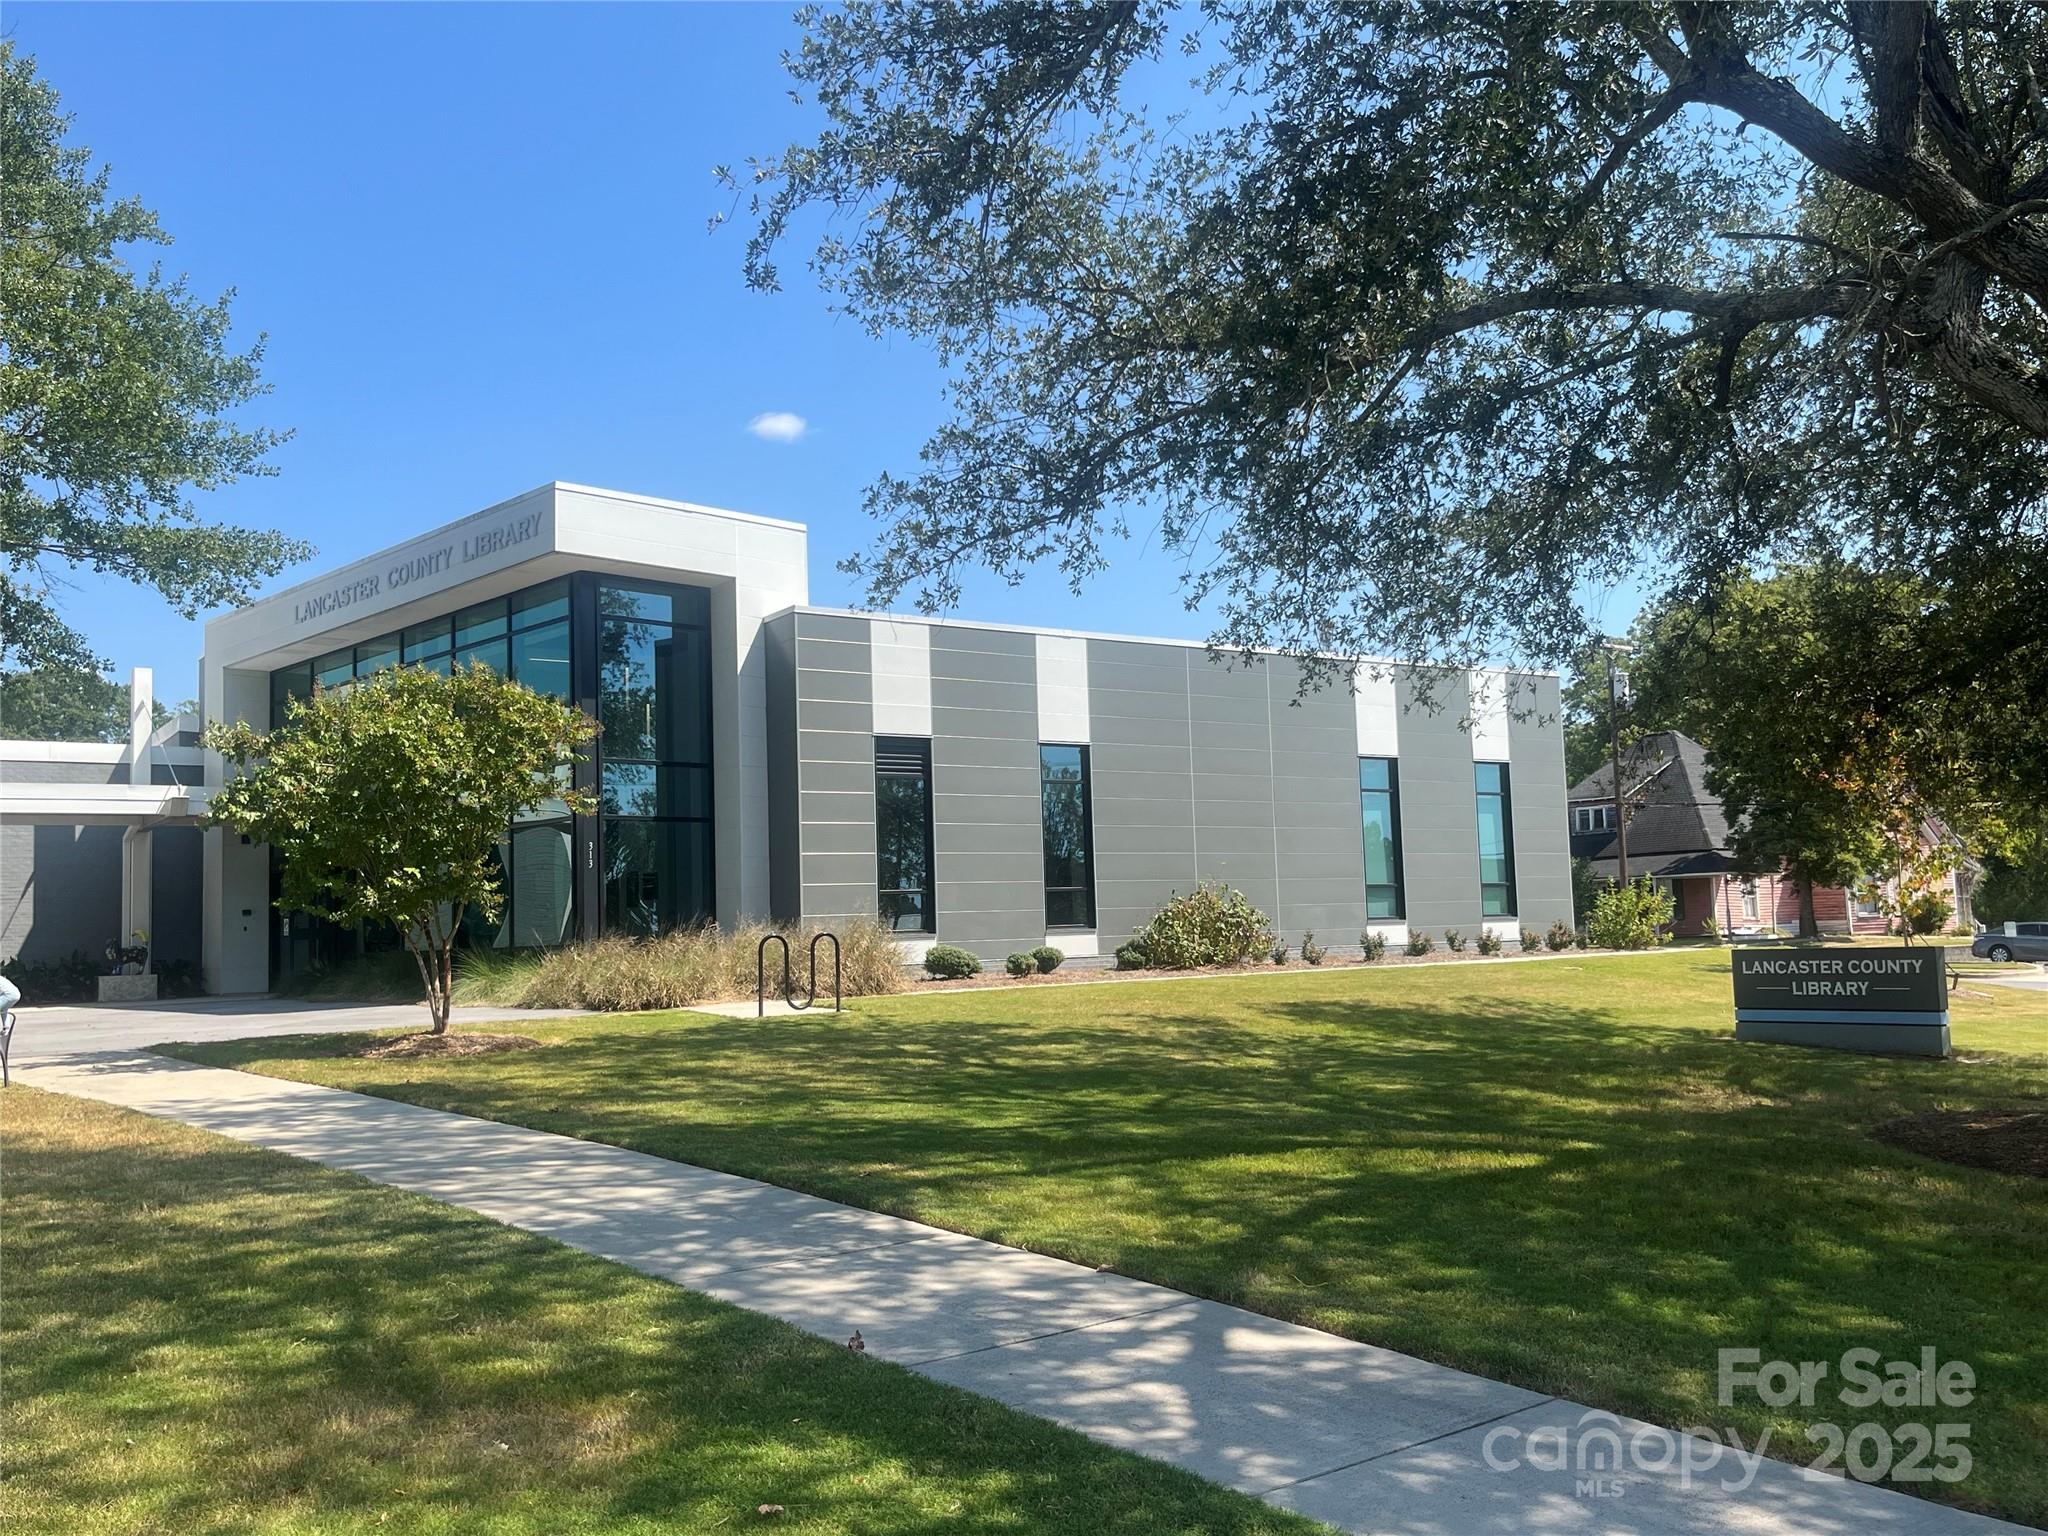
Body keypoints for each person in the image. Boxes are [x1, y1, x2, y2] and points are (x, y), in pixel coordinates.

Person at [0, 969, 19, 1087]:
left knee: (2, 1006)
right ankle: (6, 1029)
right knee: (3, 1009)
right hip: (15, 994)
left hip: (9, 994)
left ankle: (6, 1029)